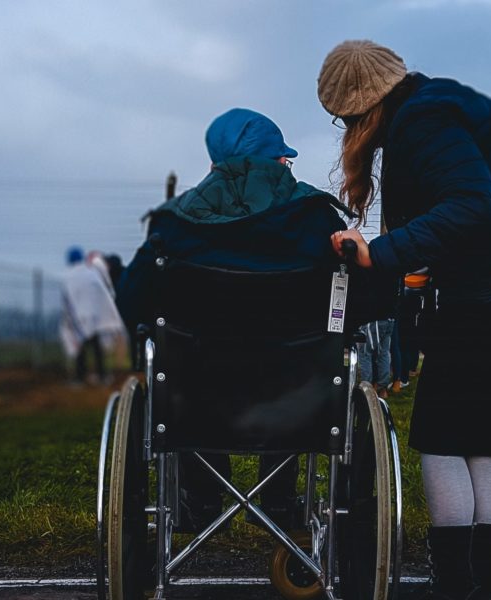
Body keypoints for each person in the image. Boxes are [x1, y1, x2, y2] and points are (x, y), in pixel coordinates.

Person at [319, 40, 491, 600]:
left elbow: (469, 204)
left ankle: (455, 581)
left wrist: (377, 254)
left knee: (441, 437)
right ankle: (486, 580)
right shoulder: (442, 106)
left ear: (364, 107)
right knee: (486, 441)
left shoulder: (424, 121)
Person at [115, 107, 391, 532]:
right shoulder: (317, 220)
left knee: (190, 371)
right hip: (297, 400)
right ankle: (279, 502)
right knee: (292, 367)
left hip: (194, 400)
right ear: (280, 162)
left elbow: (132, 302)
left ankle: (201, 501)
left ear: (214, 165)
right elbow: (367, 303)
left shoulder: (173, 225)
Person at [60, 246, 126, 385]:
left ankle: (79, 378)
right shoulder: (91, 273)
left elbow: (67, 300)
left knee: (81, 350)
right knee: (96, 348)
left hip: (79, 318)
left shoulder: (67, 277)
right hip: (95, 317)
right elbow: (103, 291)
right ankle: (102, 376)